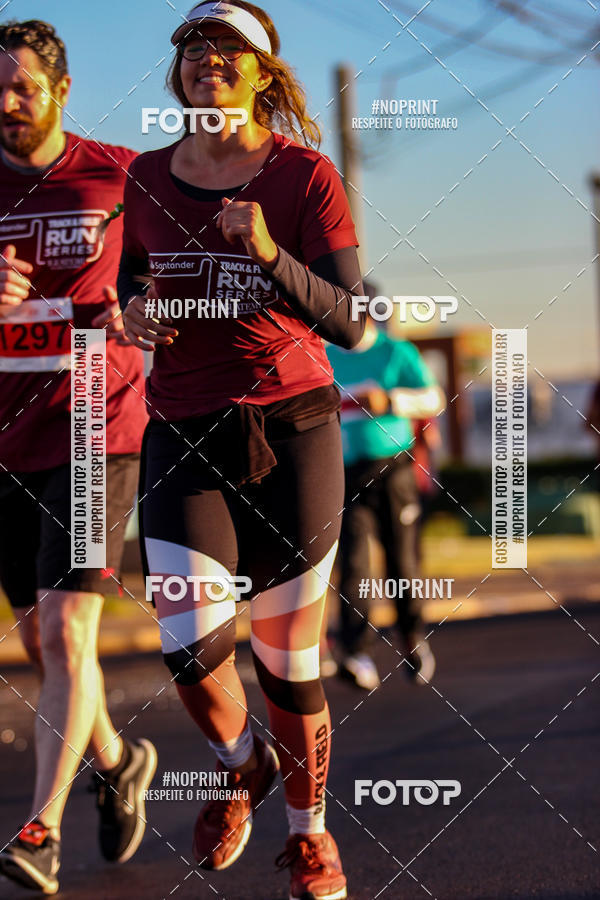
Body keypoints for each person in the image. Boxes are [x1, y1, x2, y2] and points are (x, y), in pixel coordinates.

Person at [118, 3, 365, 897]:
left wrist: (270, 254)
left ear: (263, 73)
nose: (208, 60)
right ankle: (240, 766)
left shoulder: (305, 176)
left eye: (229, 50)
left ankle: (310, 837)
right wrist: (133, 315)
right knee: (189, 650)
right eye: (194, 48)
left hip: (294, 431)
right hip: (184, 430)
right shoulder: (145, 177)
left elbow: (351, 323)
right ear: (179, 70)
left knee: (286, 660)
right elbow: (130, 288)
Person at [0, 20, 156, 895]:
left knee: (66, 632)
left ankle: (39, 832)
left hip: (97, 423)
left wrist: (140, 303)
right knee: (40, 642)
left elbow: (167, 264)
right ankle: (118, 759)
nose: (6, 104)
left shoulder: (122, 173)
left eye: (22, 86)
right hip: (5, 434)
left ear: (61, 89)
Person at [326, 317, 446, 691]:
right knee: (353, 563)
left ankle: (412, 638)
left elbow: (435, 398)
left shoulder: (395, 350)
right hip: (343, 473)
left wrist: (390, 400)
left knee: (402, 560)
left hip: (393, 469)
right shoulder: (324, 354)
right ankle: (355, 651)